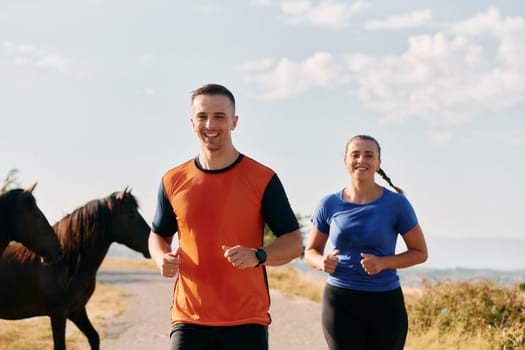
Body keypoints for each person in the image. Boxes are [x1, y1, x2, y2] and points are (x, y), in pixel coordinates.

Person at [148, 83, 303, 350]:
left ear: (234, 122)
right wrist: (162, 257)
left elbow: (293, 242)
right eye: (202, 116)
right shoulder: (173, 180)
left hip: (246, 320)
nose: (210, 124)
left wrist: (259, 255)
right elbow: (158, 235)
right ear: (192, 122)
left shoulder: (262, 179)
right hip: (189, 318)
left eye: (220, 116)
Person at [304, 134, 428, 350]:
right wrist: (321, 262)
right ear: (345, 161)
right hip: (340, 300)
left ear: (378, 163)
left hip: (385, 303)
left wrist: (383, 263)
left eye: (369, 155)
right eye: (355, 155)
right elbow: (311, 251)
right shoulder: (328, 204)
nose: (361, 160)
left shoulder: (397, 204)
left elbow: (419, 252)